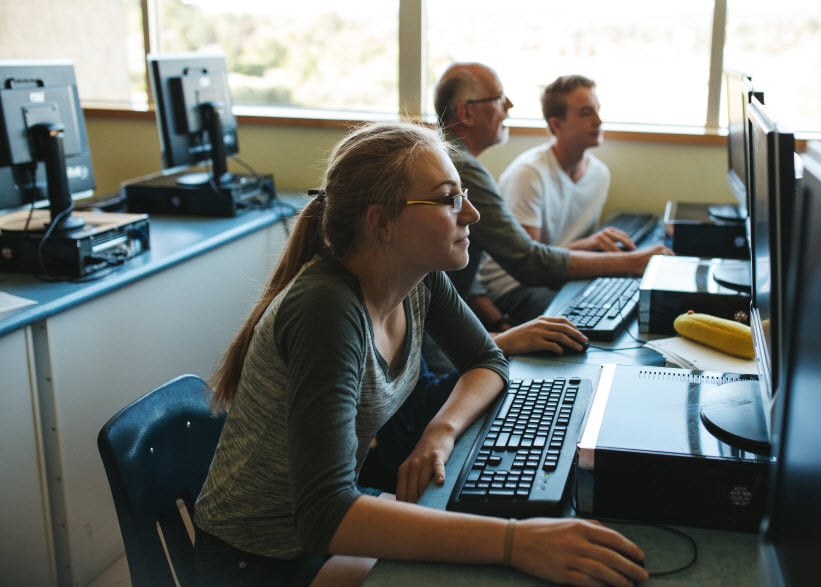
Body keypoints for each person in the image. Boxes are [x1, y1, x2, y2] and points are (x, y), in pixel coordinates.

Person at [191, 120, 649, 587]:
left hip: (318, 525)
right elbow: (324, 516)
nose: (470, 213)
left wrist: (441, 432)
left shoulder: (417, 278)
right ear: (381, 223)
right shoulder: (326, 311)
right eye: (449, 198)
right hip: (258, 555)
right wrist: (516, 541)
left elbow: (487, 361)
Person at [434, 62, 673, 326]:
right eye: (500, 98)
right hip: (447, 324)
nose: (509, 106)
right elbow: (530, 263)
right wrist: (631, 262)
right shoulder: (463, 168)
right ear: (466, 112)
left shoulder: (454, 161)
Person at [478, 74, 630, 323]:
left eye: (598, 111)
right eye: (586, 113)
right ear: (556, 125)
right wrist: (593, 245)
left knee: (620, 303)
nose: (598, 121)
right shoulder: (529, 174)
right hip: (515, 286)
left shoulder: (599, 174)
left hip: (557, 275)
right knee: (583, 321)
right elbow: (530, 263)